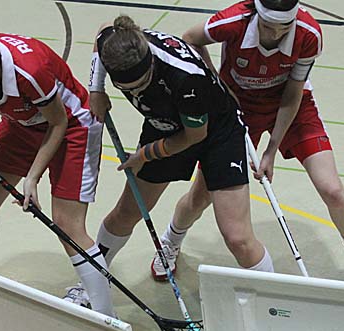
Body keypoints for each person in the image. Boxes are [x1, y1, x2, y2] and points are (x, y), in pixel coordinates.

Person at [154, 0, 344, 284]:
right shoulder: (234, 21)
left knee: (332, 189)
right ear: (256, 13)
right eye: (268, 26)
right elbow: (190, 38)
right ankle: (170, 240)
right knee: (202, 195)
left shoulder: (309, 34)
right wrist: (217, 85)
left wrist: (271, 150)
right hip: (237, 106)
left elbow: (293, 92)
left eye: (284, 27)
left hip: (292, 108)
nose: (276, 34)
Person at [84, 15, 275, 286]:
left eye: (141, 84)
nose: (136, 92)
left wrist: (144, 155)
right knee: (126, 213)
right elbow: (103, 28)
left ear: (150, 63)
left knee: (237, 237)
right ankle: (91, 284)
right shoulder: (117, 42)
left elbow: (194, 136)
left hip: (216, 131)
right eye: (127, 89)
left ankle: (276, 299)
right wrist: (96, 89)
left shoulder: (186, 79)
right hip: (164, 124)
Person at [0, 28, 115, 316]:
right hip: (21, 124)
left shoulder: (29, 70)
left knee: (67, 226)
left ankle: (107, 317)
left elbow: (58, 123)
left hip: (72, 126)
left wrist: (32, 178)